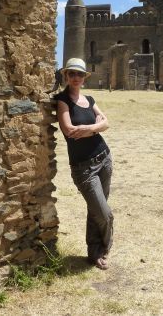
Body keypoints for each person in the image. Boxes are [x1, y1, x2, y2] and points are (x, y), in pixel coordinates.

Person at [55, 58, 113, 270]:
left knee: (95, 210)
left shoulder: (89, 98)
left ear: (84, 77)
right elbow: (69, 131)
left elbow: (106, 122)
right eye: (72, 74)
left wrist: (88, 129)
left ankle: (95, 253)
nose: (76, 78)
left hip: (104, 158)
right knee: (104, 213)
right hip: (83, 167)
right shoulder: (62, 100)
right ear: (66, 76)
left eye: (80, 74)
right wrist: (95, 126)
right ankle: (106, 247)